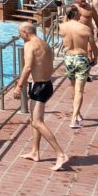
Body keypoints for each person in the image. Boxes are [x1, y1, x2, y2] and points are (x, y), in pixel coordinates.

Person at [13, 22, 68, 170]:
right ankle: (35, 152)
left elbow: (28, 66)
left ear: (25, 32)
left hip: (40, 86)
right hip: (46, 84)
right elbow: (49, 66)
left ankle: (60, 154)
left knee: (37, 122)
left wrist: (19, 86)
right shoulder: (44, 44)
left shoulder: (29, 45)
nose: (19, 36)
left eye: (20, 33)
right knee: (35, 120)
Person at [60, 5, 98, 127]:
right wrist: (95, 58)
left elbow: (64, 24)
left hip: (68, 58)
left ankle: (78, 113)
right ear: (76, 14)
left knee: (73, 88)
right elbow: (93, 47)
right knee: (79, 90)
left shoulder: (61, 27)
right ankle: (74, 119)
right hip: (81, 58)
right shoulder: (85, 28)